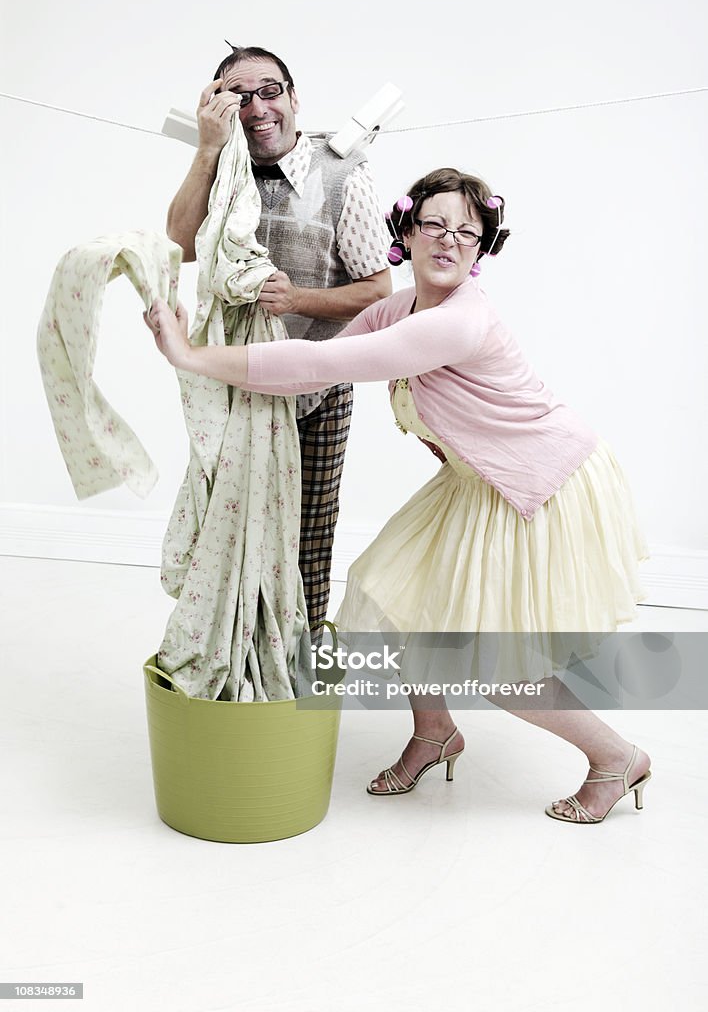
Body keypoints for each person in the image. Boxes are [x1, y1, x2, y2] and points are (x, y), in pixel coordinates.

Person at [149, 167, 652, 824]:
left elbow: (322, 365)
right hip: (478, 481)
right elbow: (313, 378)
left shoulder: (459, 321)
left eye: (468, 232)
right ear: (406, 232)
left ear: (481, 248)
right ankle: (434, 733)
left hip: (542, 480)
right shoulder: (396, 308)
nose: (450, 240)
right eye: (435, 224)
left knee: (491, 662)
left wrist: (189, 356)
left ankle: (617, 758)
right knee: (397, 595)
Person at [166, 44, 391, 631]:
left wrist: (297, 301)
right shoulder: (220, 167)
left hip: (317, 385)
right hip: (235, 385)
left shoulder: (343, 175)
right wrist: (207, 150)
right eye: (237, 97)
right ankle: (238, 657)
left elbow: (376, 290)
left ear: (294, 99)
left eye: (269, 91)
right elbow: (181, 245)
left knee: (306, 535)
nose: (256, 107)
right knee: (230, 529)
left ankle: (298, 669)